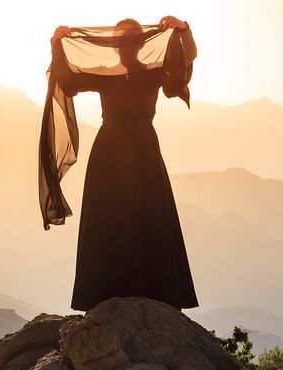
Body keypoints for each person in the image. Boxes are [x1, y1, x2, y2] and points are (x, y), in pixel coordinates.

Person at [49, 16, 199, 311]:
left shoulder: (155, 71)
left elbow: (181, 73)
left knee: (148, 212)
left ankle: (153, 293)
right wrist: (57, 46)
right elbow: (68, 82)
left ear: (141, 44)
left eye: (132, 40)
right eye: (121, 41)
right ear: (115, 45)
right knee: (107, 215)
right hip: (109, 153)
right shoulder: (106, 74)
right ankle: (104, 294)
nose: (126, 46)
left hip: (144, 153)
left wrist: (184, 31)